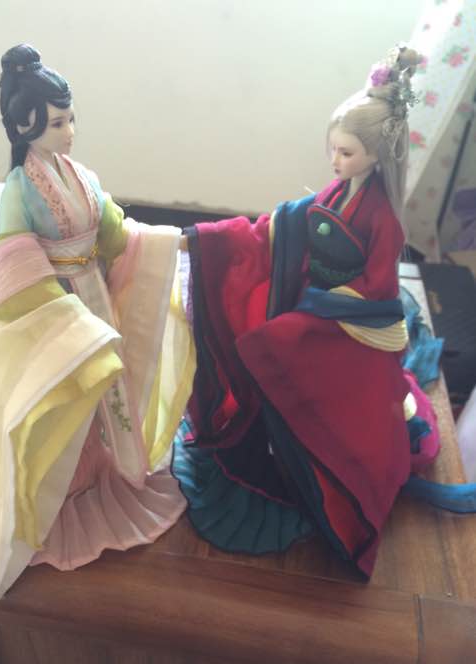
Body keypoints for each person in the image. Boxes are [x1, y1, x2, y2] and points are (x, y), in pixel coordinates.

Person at [0, 44, 194, 611]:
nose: (70, 132)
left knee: (106, 395)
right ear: (26, 126)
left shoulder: (81, 176)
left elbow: (114, 233)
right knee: (64, 394)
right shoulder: (19, 188)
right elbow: (14, 257)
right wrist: (60, 316)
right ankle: (57, 491)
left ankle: (105, 472)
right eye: (58, 123)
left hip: (95, 297)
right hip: (54, 311)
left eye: (70, 119)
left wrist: (171, 243)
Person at [173, 46, 440, 576]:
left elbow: (377, 286)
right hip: (317, 301)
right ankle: (279, 443)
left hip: (351, 322)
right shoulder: (340, 190)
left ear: (376, 156)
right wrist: (207, 240)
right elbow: (288, 223)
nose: (335, 162)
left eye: (346, 153)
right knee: (264, 332)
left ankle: (312, 465)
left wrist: (321, 309)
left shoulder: (383, 218)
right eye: (333, 149)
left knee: (270, 345)